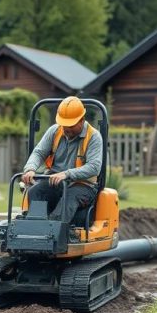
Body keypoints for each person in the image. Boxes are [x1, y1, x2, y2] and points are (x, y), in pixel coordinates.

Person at [21, 96, 103, 226]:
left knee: (68, 199)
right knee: (35, 191)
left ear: (82, 120)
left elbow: (94, 167)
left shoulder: (94, 137)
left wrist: (66, 174)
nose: (66, 129)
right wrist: (30, 168)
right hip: (55, 180)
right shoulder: (54, 131)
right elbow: (39, 152)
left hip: (82, 185)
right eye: (64, 124)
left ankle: (53, 235)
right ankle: (35, 228)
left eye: (70, 125)